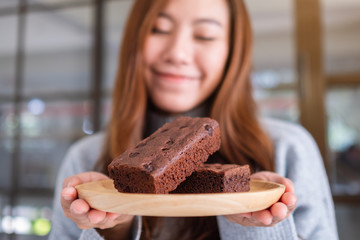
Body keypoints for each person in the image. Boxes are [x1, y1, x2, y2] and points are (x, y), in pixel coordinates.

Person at [49, 0, 339, 239]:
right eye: (158, 29)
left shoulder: (288, 148)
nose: (177, 53)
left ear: (231, 53)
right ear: (133, 41)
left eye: (204, 36)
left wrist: (253, 224)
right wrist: (114, 228)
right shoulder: (86, 161)